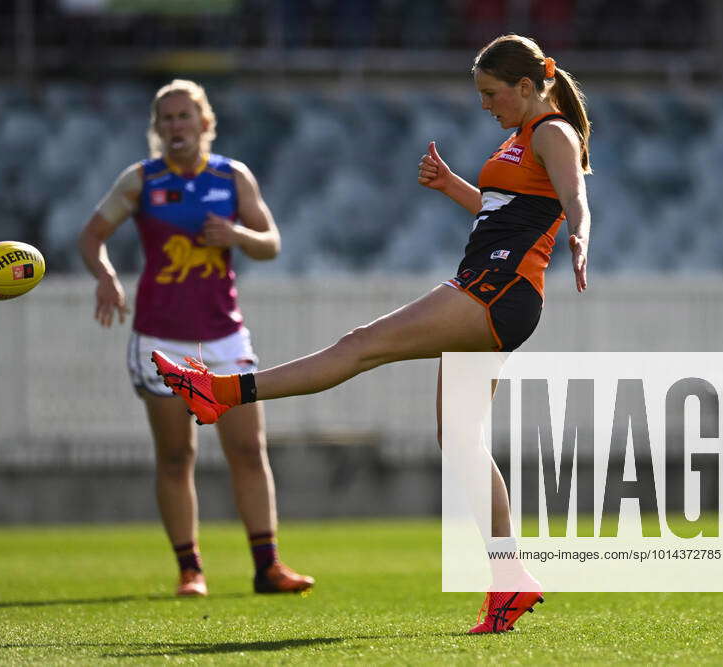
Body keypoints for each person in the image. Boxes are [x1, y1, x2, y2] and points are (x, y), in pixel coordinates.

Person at [152, 33, 591, 633]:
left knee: (359, 346)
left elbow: (574, 196)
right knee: (460, 443)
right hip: (500, 293)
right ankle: (508, 579)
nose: (484, 104)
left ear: (524, 86)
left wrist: (580, 233)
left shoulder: (550, 131)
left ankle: (223, 392)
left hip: (495, 290)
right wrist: (453, 186)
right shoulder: (520, 138)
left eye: (491, 93)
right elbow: (502, 211)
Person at [78, 78, 315, 597]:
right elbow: (92, 236)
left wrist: (237, 236)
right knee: (176, 456)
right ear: (157, 130)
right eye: (166, 118)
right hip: (161, 339)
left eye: (185, 116)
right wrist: (106, 275)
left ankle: (267, 567)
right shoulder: (141, 180)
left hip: (224, 336)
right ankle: (190, 569)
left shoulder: (233, 177)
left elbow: (270, 243)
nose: (175, 126)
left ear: (205, 123)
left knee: (249, 452)